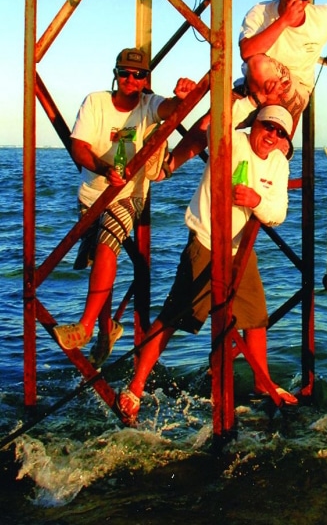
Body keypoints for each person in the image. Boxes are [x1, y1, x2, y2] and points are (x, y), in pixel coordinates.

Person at [115, 101, 298, 424]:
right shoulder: (231, 139)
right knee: (173, 316)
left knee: (256, 319)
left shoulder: (279, 164)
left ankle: (262, 381)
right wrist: (235, 97)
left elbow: (278, 213)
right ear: (254, 124)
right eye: (267, 126)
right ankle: (136, 387)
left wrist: (256, 201)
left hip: (240, 250)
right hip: (205, 241)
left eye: (279, 131)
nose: (271, 135)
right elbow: (215, 123)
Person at [53, 48, 196, 368]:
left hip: (129, 195)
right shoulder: (95, 102)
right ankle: (107, 328)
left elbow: (170, 109)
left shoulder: (150, 103)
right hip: (92, 194)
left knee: (107, 247)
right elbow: (79, 147)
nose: (131, 80)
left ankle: (86, 327)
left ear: (147, 79)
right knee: (97, 265)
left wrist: (182, 98)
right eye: (125, 73)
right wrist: (105, 169)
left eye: (139, 75)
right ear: (115, 74)